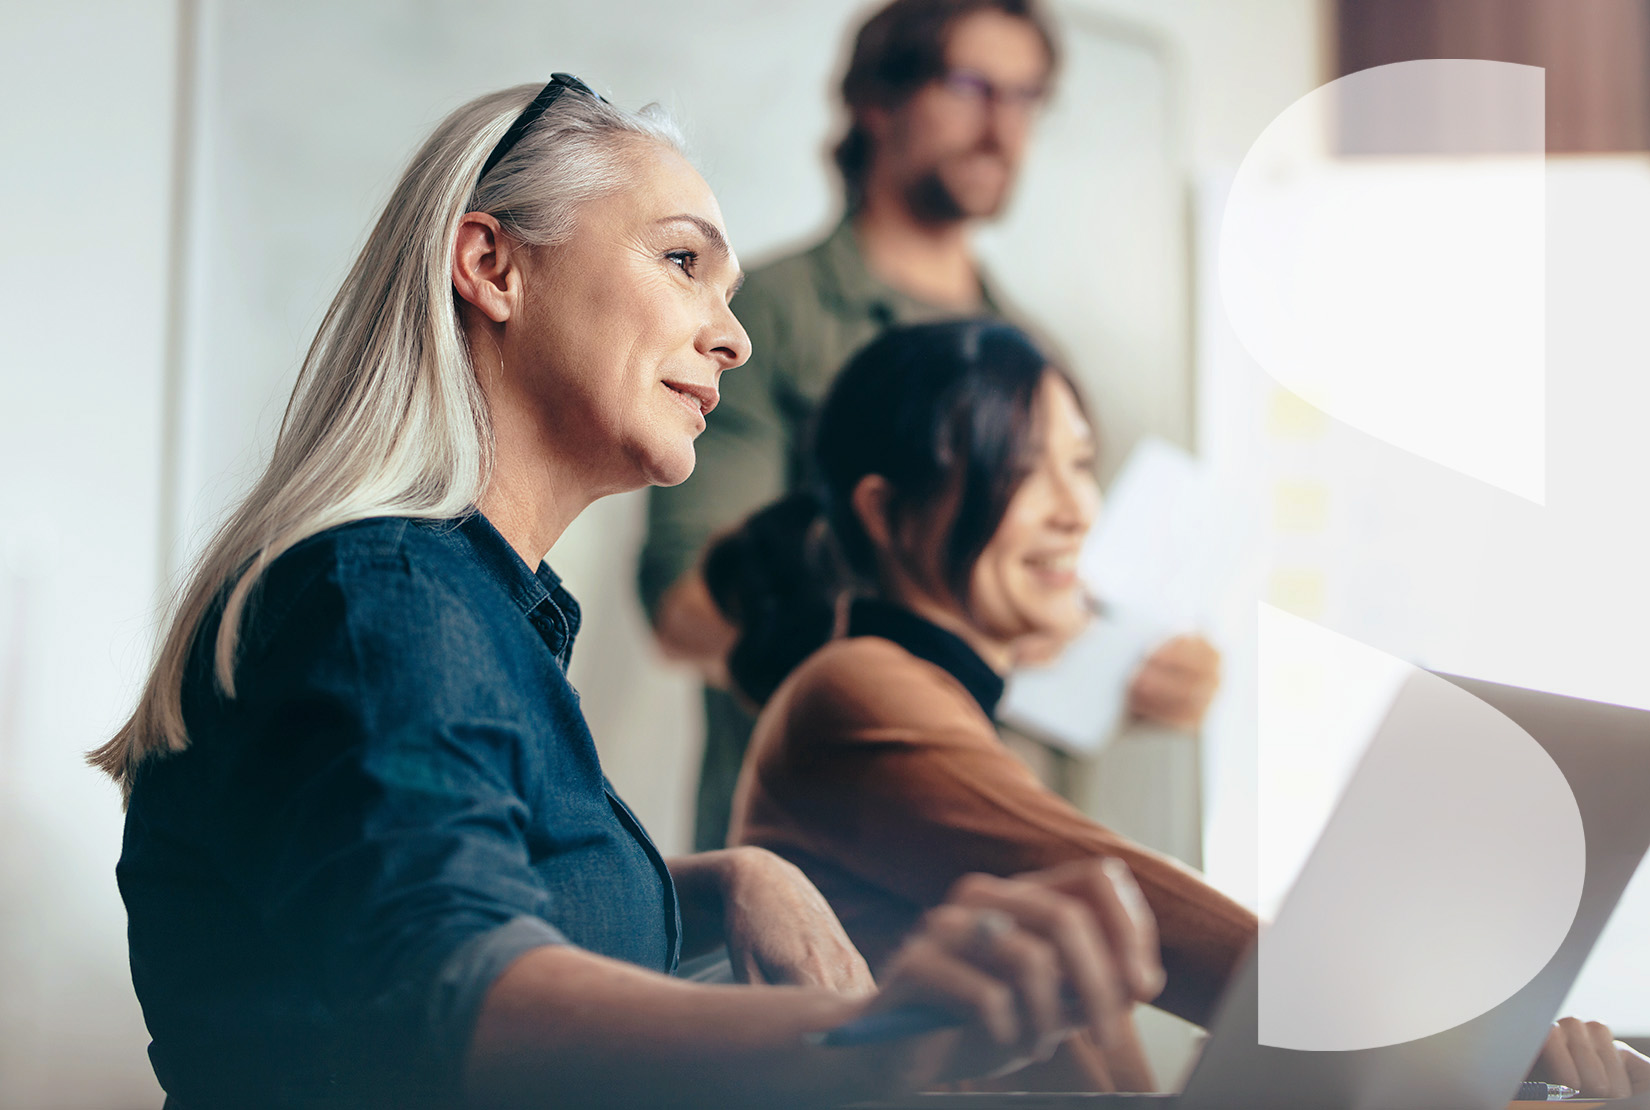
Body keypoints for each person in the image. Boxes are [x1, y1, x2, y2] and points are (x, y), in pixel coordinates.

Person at [88, 77, 1167, 1110]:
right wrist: (885, 1039)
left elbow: (497, 904)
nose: (732, 337)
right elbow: (456, 996)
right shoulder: (384, 603)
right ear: (492, 267)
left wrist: (720, 885)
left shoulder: (470, 614)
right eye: (682, 261)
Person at [708, 319, 1650, 1096]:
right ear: (885, 509)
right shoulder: (857, 691)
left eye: (1082, 464)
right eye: (1024, 467)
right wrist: (1473, 1042)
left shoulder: (931, 707)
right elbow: (1146, 911)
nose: (1077, 510)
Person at [638, 0, 1220, 853]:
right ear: (877, 99)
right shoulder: (764, 316)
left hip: (1018, 851)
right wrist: (957, 602)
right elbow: (686, 607)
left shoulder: (1034, 354)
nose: (1002, 125)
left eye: (1026, 96)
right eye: (972, 86)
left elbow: (1048, 616)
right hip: (822, 863)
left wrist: (1131, 667)